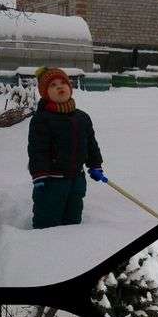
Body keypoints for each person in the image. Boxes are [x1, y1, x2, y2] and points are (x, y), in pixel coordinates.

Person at [28, 66, 107, 229]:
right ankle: (42, 247)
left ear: (70, 88)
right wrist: (39, 174)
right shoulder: (42, 119)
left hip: (77, 179)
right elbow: (37, 150)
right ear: (45, 93)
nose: (59, 86)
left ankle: (71, 249)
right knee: (47, 218)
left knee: (73, 217)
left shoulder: (82, 117)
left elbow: (91, 143)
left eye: (63, 82)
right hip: (51, 181)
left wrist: (95, 165)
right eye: (53, 85)